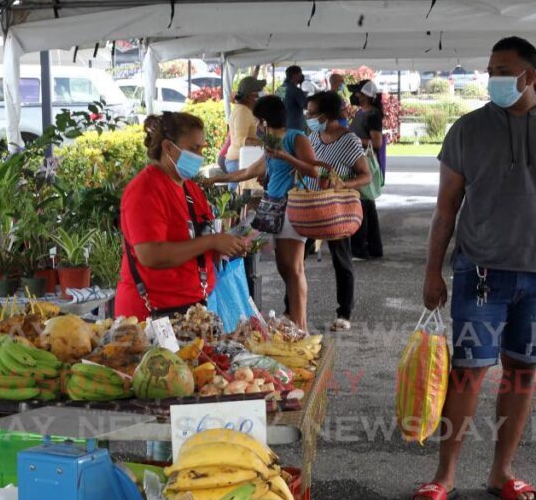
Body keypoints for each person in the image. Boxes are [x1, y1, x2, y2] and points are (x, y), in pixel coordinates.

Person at [416, 36, 536, 500]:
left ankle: (502, 473)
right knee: (467, 375)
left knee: (521, 375)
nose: (494, 77)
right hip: (479, 274)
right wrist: (432, 271)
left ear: (530, 76)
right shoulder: (467, 130)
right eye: (491, 68)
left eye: (504, 69)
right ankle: (444, 477)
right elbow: (445, 208)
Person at [116, 112, 250, 320]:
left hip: (193, 310)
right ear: (168, 147)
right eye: (193, 149)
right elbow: (151, 255)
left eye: (202, 149)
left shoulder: (190, 189)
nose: (199, 156)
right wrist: (212, 241)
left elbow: (199, 239)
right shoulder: (145, 189)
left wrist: (228, 245)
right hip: (153, 316)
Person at [212, 95, 326, 330]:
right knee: (285, 268)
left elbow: (315, 171)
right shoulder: (271, 144)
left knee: (294, 269)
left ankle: (301, 325)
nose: (257, 126)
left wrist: (286, 157)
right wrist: (216, 179)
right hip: (273, 209)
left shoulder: (296, 137)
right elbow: (249, 171)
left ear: (264, 120)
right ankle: (296, 321)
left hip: (293, 208)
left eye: (258, 121)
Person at [307, 91, 373, 331]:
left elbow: (366, 176)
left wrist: (342, 184)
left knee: (341, 260)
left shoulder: (349, 140)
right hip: (309, 205)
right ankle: (290, 309)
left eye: (313, 113)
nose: (308, 116)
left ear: (327, 114)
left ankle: (344, 312)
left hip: (335, 209)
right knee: (295, 257)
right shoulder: (313, 136)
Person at [349, 79, 385, 260]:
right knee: (367, 204)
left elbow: (376, 142)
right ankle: (373, 248)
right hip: (357, 160)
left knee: (361, 204)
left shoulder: (373, 115)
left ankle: (360, 248)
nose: (355, 96)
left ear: (367, 96)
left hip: (364, 161)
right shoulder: (361, 113)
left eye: (358, 93)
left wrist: (354, 140)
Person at [223, 77, 266, 174]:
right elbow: (240, 140)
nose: (261, 94)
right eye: (259, 92)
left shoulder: (246, 110)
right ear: (249, 96)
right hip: (238, 162)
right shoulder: (242, 111)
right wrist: (265, 144)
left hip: (243, 160)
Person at [280, 66, 309, 132]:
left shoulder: (280, 88)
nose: (301, 76)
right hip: (295, 126)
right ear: (294, 75)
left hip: (283, 125)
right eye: (300, 74)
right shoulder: (296, 91)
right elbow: (306, 106)